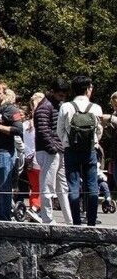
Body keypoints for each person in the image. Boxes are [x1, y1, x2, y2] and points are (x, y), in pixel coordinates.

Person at [58, 76, 105, 227]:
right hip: (90, 150)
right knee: (92, 186)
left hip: (71, 150)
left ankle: (76, 222)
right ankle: (91, 222)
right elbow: (99, 131)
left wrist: (67, 142)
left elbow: (59, 130)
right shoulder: (96, 108)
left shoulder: (66, 106)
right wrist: (94, 142)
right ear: (87, 89)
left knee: (73, 186)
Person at [0, 84, 24, 222]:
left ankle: (4, 218)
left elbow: (18, 129)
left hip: (5, 153)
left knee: (4, 187)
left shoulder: (11, 109)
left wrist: (0, 127)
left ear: (4, 94)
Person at [34, 78, 69, 224]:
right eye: (60, 95)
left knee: (62, 186)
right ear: (53, 92)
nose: (63, 98)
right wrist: (53, 148)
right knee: (48, 184)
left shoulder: (54, 104)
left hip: (56, 149)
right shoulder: (45, 106)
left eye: (64, 95)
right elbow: (42, 129)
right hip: (49, 150)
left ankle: (70, 219)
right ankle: (47, 219)